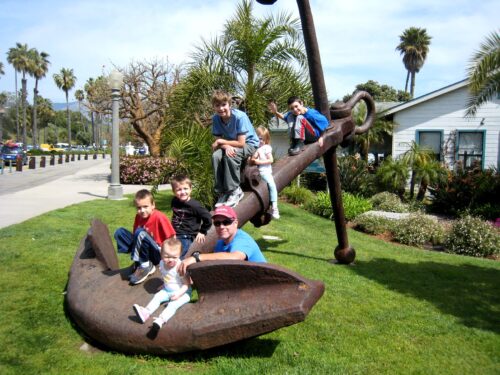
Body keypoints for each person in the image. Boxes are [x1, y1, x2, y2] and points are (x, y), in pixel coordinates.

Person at [178, 205, 266, 276]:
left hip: (260, 280)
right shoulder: (220, 243)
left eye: (226, 222)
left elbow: (235, 258)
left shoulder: (243, 240)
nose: (221, 227)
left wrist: (197, 258)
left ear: (235, 223)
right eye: (217, 223)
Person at [114, 189, 176, 285]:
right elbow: (136, 236)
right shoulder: (138, 217)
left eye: (145, 206)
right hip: (144, 248)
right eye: (139, 208)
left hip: (157, 252)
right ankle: (141, 261)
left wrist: (169, 257)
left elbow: (172, 237)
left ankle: (145, 266)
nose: (142, 210)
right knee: (119, 232)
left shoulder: (159, 217)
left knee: (140, 233)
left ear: (153, 205)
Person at [211, 90, 260, 207]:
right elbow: (218, 140)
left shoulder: (239, 117)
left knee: (231, 155)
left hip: (249, 144)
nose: (221, 108)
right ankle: (222, 191)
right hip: (230, 144)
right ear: (213, 106)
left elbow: (241, 143)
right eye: (217, 105)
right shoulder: (216, 119)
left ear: (229, 104)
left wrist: (223, 142)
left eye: (224, 105)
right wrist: (226, 145)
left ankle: (234, 190)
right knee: (215, 156)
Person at [133, 238, 191, 330]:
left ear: (179, 256)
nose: (170, 260)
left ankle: (161, 319)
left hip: (183, 292)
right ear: (161, 255)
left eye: (174, 257)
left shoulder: (179, 267)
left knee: (173, 305)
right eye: (167, 256)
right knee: (157, 297)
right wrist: (164, 284)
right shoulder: (161, 263)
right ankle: (146, 313)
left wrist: (179, 294)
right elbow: (167, 276)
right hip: (168, 290)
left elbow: (187, 284)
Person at [170, 174, 212, 259]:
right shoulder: (174, 201)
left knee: (179, 255)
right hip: (173, 232)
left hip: (186, 235)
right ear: (174, 191)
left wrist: (202, 231)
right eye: (179, 190)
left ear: (190, 189)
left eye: (185, 188)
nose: (182, 192)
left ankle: (177, 269)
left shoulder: (195, 205)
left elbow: (208, 218)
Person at [250, 126, 280, 219]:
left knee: (272, 185)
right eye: (258, 138)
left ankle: (274, 207)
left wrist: (259, 162)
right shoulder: (255, 148)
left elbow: (270, 160)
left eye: (262, 139)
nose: (260, 141)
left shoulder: (266, 148)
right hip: (257, 173)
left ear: (266, 140)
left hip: (265, 172)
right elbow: (252, 159)